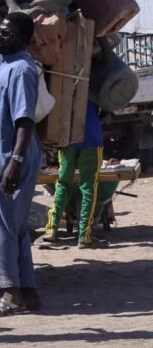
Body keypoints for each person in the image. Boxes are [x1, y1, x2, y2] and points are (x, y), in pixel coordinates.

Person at [0, 0, 43, 318]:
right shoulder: (8, 61)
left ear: (24, 40)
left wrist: (14, 160)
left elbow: (25, 121)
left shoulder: (23, 70)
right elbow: (0, 36)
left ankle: (10, 294)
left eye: (7, 34)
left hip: (11, 154)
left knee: (1, 225)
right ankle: (27, 291)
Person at [43, 101, 108, 249]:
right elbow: (110, 103)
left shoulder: (62, 79)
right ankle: (84, 237)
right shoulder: (96, 80)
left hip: (67, 138)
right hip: (91, 137)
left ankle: (52, 231)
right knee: (89, 187)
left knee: (63, 183)